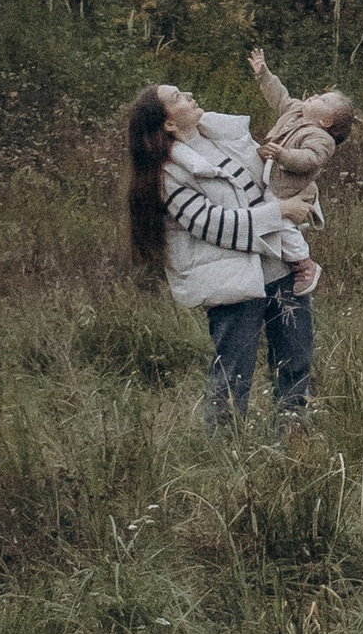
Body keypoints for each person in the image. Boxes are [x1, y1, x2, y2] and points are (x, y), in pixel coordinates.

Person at [125, 82, 318, 426]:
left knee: (295, 361)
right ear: (168, 123)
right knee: (233, 375)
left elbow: (274, 181)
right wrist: (282, 212)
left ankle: (293, 440)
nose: (189, 95)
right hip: (233, 282)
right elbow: (213, 225)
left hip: (281, 270)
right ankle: (225, 453)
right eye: (177, 97)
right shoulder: (169, 173)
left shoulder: (226, 137)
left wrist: (300, 196)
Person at [244, 48, 356, 292]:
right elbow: (278, 96)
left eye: (323, 101)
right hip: (272, 178)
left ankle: (305, 264)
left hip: (287, 189)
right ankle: (280, 257)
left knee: (278, 220)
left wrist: (284, 155)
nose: (315, 95)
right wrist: (263, 73)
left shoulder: (320, 138)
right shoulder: (295, 111)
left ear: (326, 122)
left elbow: (310, 159)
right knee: (266, 216)